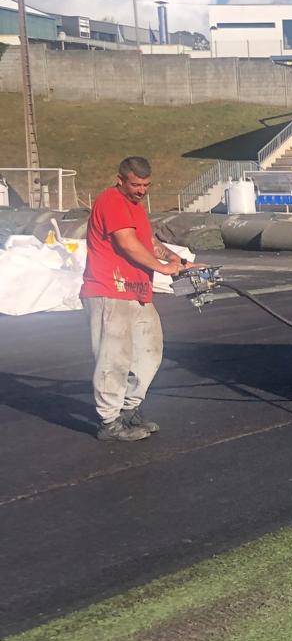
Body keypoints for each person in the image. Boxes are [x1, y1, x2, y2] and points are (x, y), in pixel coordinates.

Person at [80, 157, 192, 443]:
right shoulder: (111, 201)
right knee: (113, 357)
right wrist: (163, 268)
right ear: (120, 180)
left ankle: (129, 407)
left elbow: (147, 243)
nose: (142, 190)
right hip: (109, 289)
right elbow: (127, 243)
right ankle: (109, 421)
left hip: (137, 292)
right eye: (136, 184)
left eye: (146, 185)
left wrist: (175, 258)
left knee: (149, 352)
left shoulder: (135, 208)